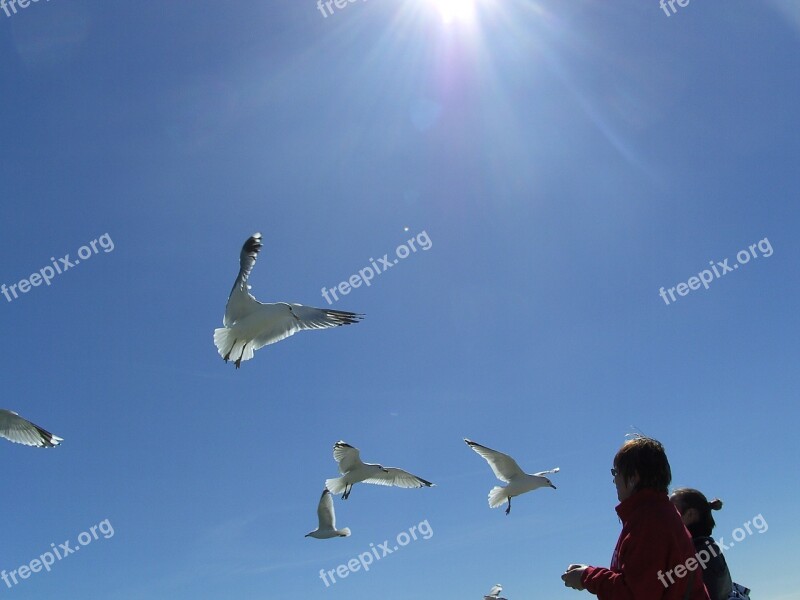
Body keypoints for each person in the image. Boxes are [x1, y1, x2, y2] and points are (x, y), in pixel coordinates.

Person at [561, 435, 710, 599]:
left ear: (633, 477)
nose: (614, 480)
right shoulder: (658, 514)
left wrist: (587, 577)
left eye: (616, 472)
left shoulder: (650, 523)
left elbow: (634, 595)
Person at [670, 489, 733, 600]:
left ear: (690, 514)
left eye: (673, 510)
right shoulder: (707, 547)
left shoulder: (698, 553)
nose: (667, 515)